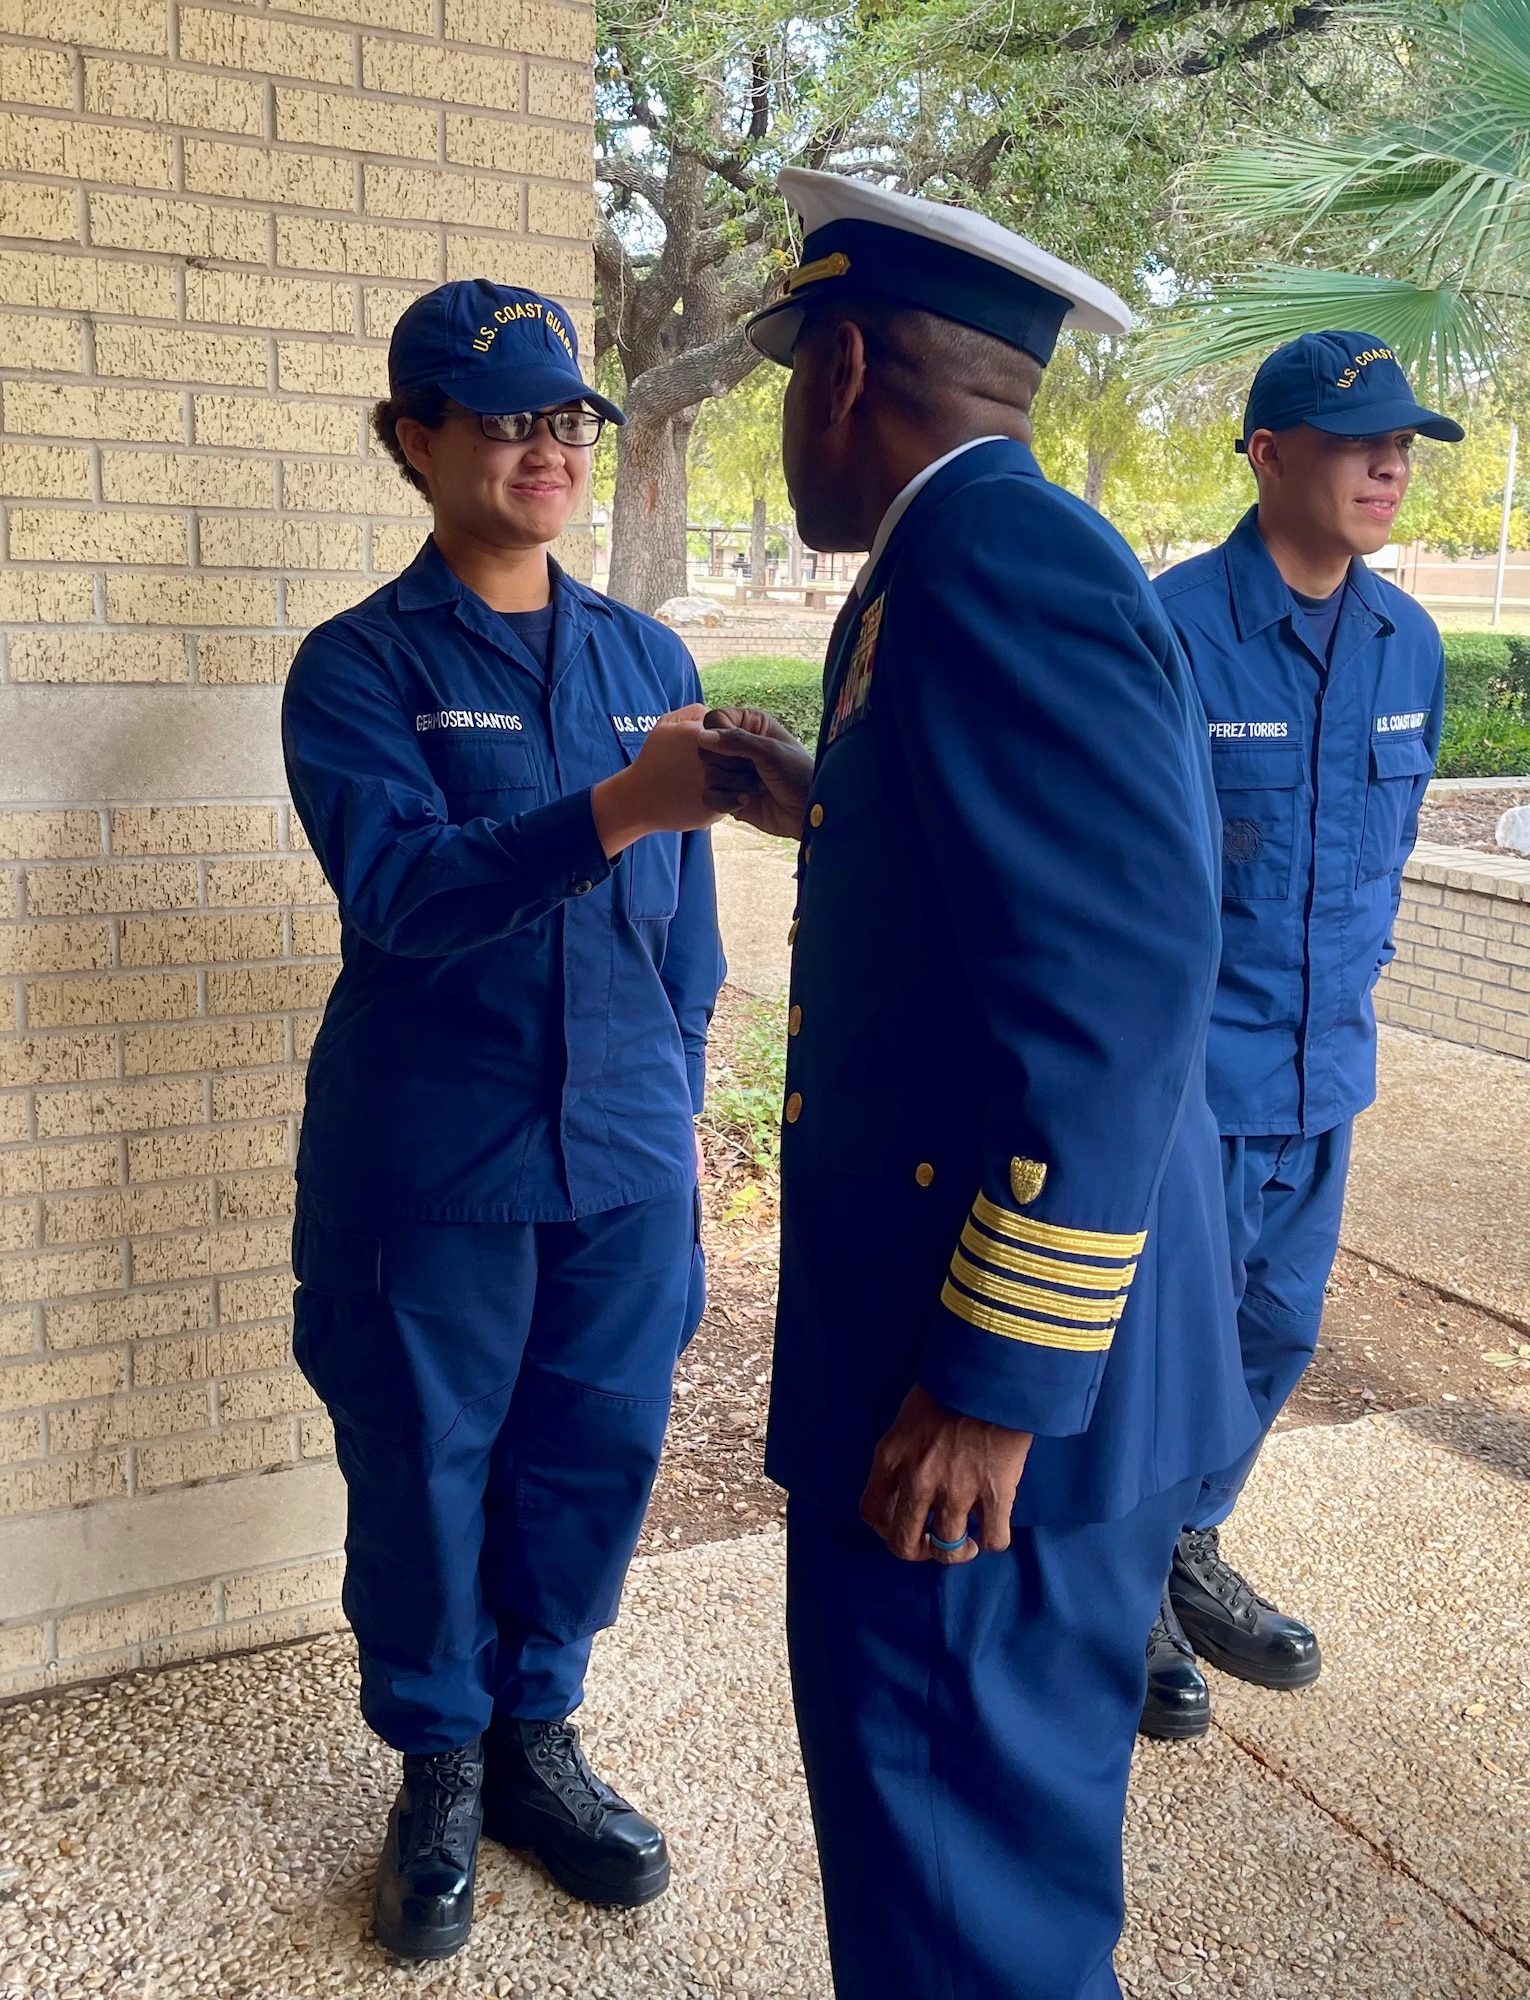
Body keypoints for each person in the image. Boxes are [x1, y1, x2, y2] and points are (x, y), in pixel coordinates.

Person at [697, 170, 1259, 2000]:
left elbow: (1116, 982)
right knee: (944, 1854)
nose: (785, 413)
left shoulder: (995, 563)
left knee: (961, 1902)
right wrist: (828, 803)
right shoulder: (947, 563)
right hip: (962, 1350)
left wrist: (989, 1386)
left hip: (979, 1394)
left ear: (845, 364)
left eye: (789, 368)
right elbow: (1019, 893)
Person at [281, 278, 725, 1961]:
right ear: (413, 440)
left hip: (619, 1153)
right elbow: (397, 889)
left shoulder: (643, 653)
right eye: (499, 419)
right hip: (432, 1162)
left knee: (591, 1456)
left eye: (564, 420)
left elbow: (685, 930)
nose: (542, 449)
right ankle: (438, 1767)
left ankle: (540, 1733)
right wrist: (616, 807)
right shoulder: (360, 665)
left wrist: (676, 1094)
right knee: (423, 1464)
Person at [1138, 333, 1463, 1740]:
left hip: (1322, 1072)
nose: (1387, 466)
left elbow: (1378, 864)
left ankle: (1182, 1546)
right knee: (1163, 1351)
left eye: (1401, 445)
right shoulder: (1168, 630)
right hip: (1188, 1086)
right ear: (1267, 455)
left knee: (1273, 1334)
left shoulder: (1408, 642)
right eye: (1355, 442)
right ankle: (1116, 1594)